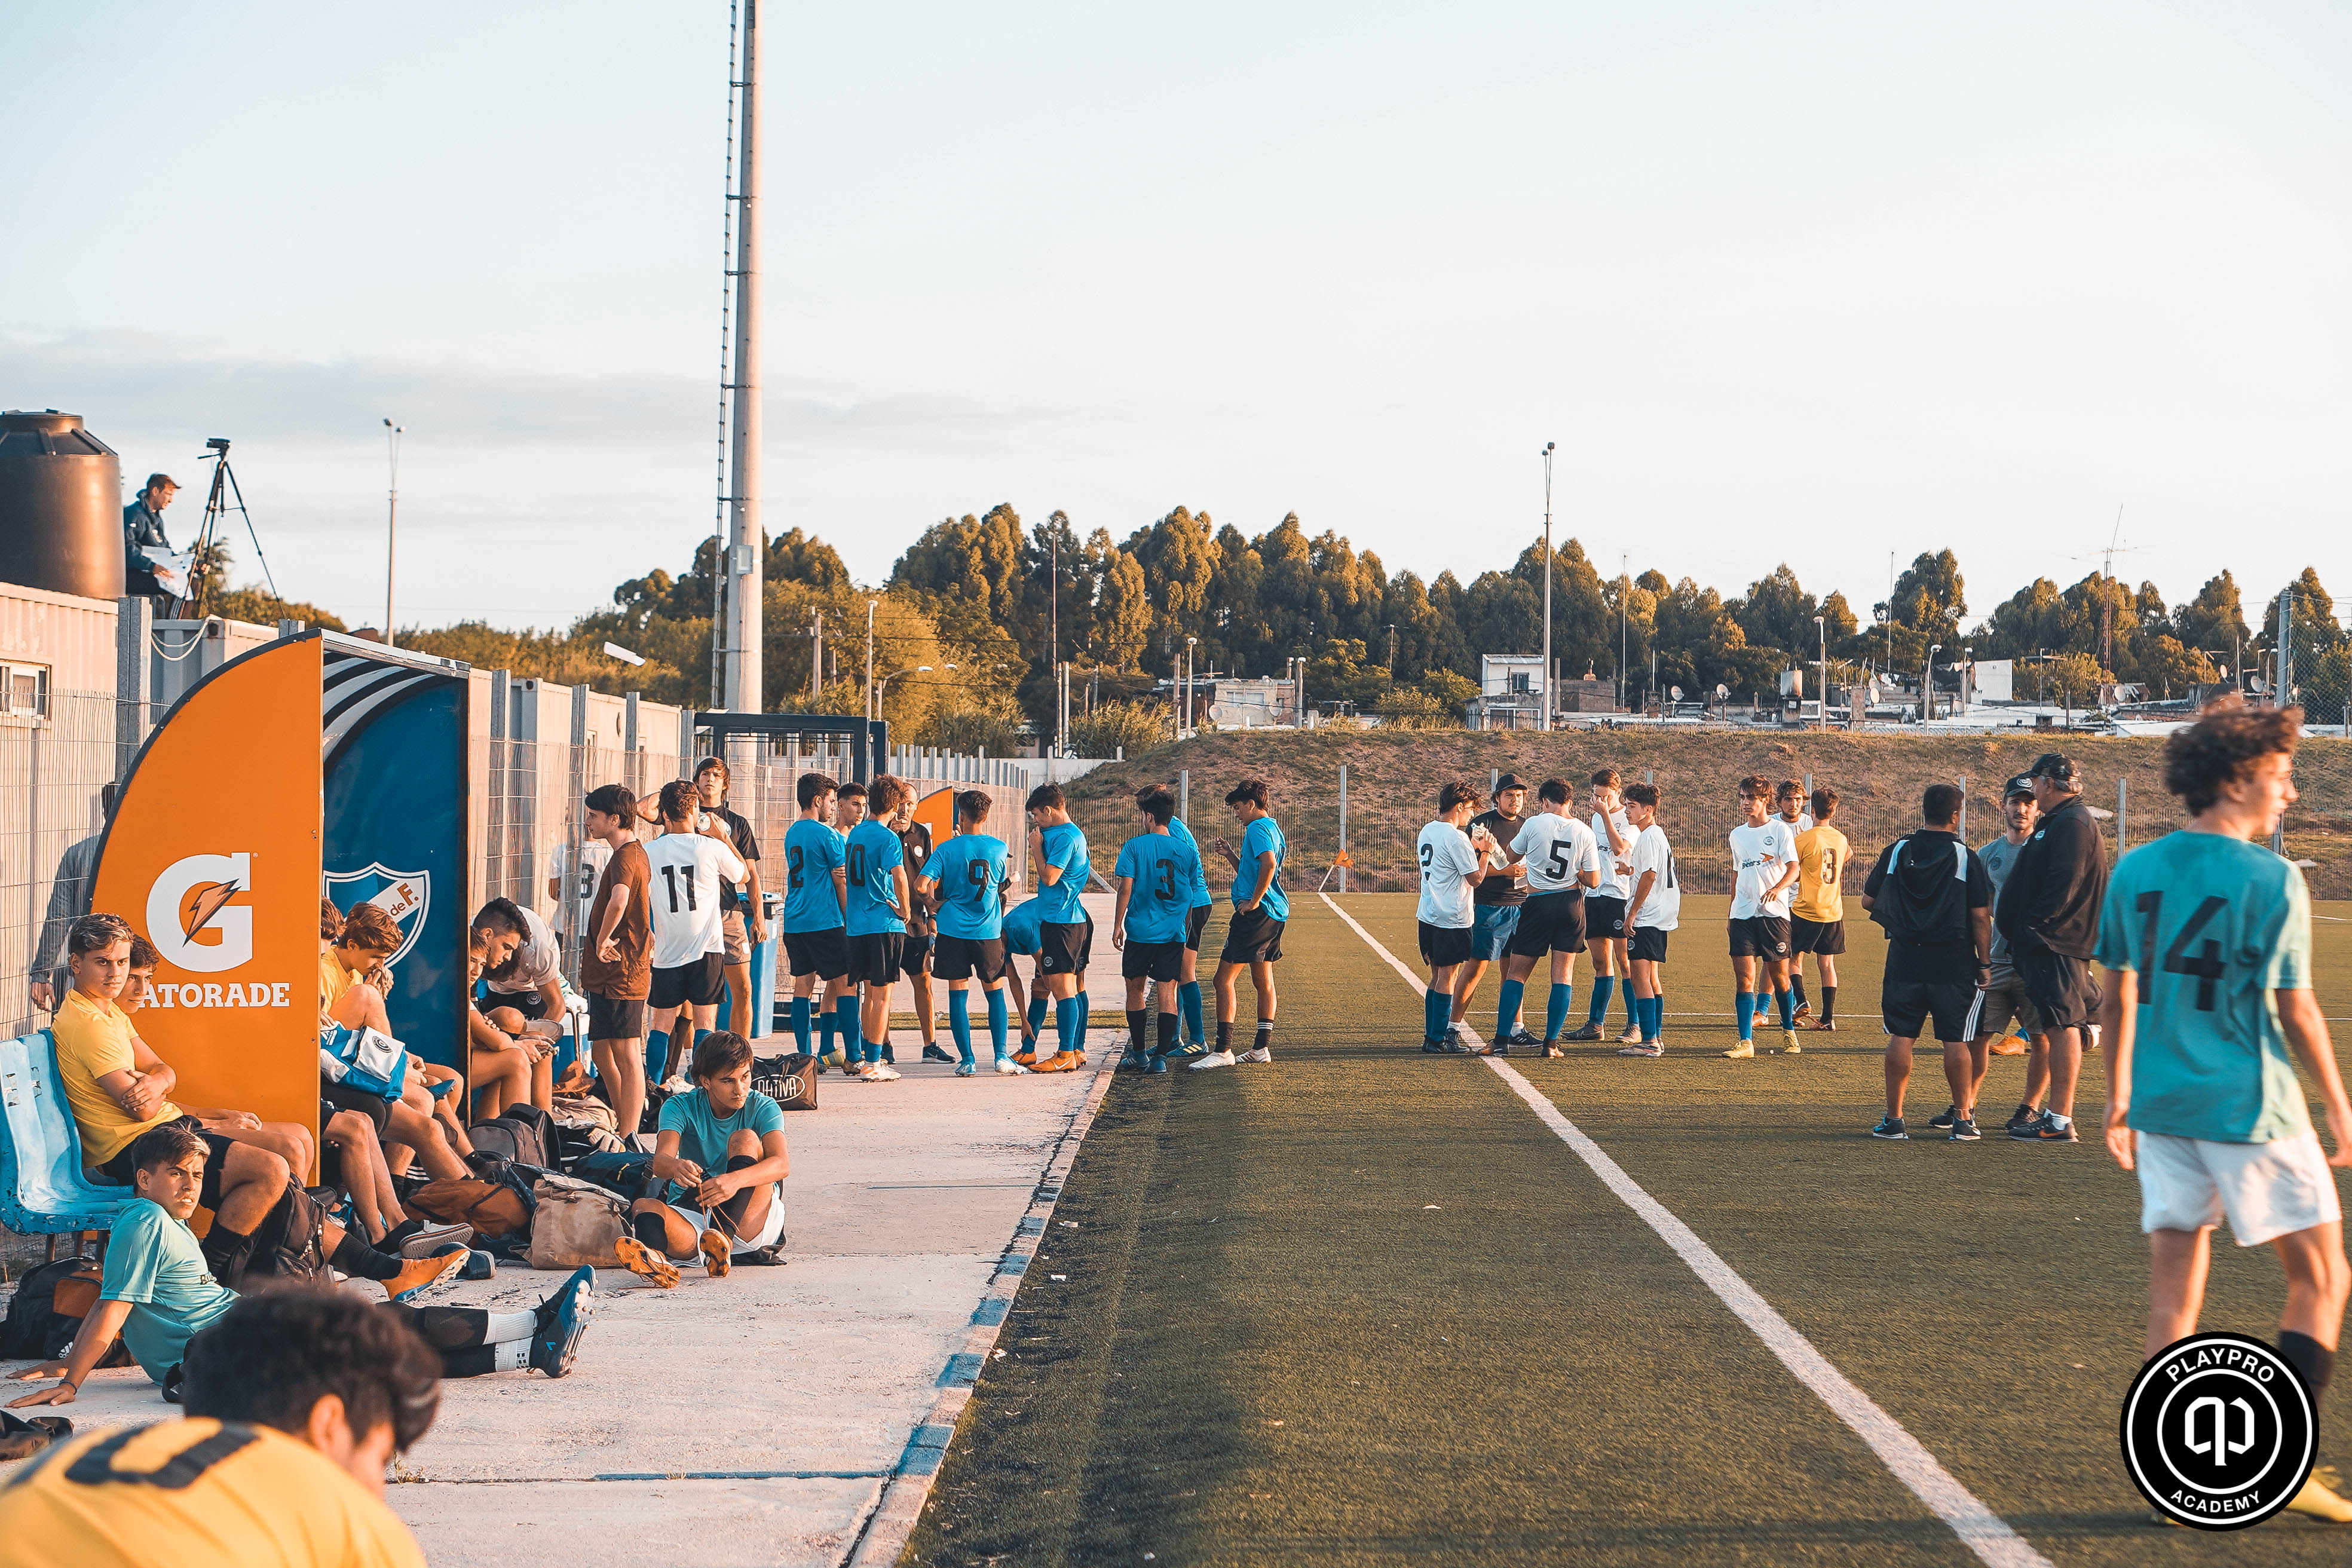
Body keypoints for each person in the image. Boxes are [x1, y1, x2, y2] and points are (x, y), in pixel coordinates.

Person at [2097, 702, 2352, 1524]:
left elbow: (2116, 994)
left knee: (2174, 1301)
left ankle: (2171, 1479)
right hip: (2252, 1111)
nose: (2290, 790)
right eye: (2280, 775)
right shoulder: (2273, 879)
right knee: (2323, 1278)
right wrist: (2341, 1111)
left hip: (2164, 1109)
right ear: (2237, 778)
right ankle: (2285, 1464)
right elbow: (2298, 1012)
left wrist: (2117, 1099)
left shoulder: (2136, 868)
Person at [7, 1125, 475, 1416]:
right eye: (177, 1174)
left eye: (196, 1176)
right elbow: (115, 1304)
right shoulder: (146, 1219)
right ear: (145, 1180)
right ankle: (513, 1328)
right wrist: (72, 1383)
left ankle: (525, 1342)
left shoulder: (163, 1220)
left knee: (377, 1350)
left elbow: (125, 1300)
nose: (191, 1187)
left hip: (237, 1326)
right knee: (376, 1336)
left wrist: (73, 1362)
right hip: (233, 1339)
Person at [0, 1284, 440, 1566]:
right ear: (328, 1423)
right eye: (378, 1459)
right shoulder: (336, 1509)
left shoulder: (72, 1460)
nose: (378, 1493)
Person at [53, 914, 305, 1287]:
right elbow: (142, 1109)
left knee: (293, 1145)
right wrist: (159, 1090)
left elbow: (162, 1068)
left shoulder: (109, 1013)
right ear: (77, 963)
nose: (116, 974)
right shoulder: (89, 1024)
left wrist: (155, 1081)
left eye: (122, 962)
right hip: (131, 1148)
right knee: (272, 1169)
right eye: (103, 962)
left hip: (158, 1128)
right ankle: (212, 1274)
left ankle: (263, 1270)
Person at [1860, 784, 1993, 1140]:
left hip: (1905, 958)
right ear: (1956, 815)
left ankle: (1894, 1120)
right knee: (1956, 1040)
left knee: (1902, 1035)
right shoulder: (1965, 856)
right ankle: (1963, 1120)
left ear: (1923, 811)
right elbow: (1981, 916)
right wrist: (1985, 962)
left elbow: (1869, 901)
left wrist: (1904, 919)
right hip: (1954, 960)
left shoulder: (1900, 849)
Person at [1995, 752, 2109, 1144]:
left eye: (2037, 784)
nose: (2034, 791)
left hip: (2056, 944)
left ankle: (2059, 1119)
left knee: (2063, 1026)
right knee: (2066, 1022)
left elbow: (2066, 881)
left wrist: (2034, 930)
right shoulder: (2063, 821)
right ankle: (2101, 1022)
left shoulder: (2073, 823)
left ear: (2047, 783)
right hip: (2051, 944)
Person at [1933, 775, 2049, 1137]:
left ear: (2038, 807)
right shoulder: (1987, 855)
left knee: (2042, 1037)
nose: (2022, 808)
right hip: (1994, 962)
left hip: (2036, 963)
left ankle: (2030, 1108)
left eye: (2028, 802)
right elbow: (1974, 910)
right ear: (2003, 806)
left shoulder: (2048, 851)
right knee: (1977, 1037)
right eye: (2015, 801)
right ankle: (1965, 1105)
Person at [625, 1031, 790, 1282]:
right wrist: (677, 1167)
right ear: (706, 1081)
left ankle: (723, 1240)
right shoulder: (679, 1106)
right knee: (644, 1207)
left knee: (744, 1138)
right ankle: (657, 1264)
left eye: (745, 1077)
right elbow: (660, 1163)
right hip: (699, 1209)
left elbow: (781, 1164)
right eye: (728, 1081)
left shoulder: (763, 1106)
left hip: (750, 1217)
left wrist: (734, 1181)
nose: (740, 1089)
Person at [641, 779, 748, 1088]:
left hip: (666, 950)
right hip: (706, 949)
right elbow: (743, 874)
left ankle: (656, 1087)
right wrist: (723, 838)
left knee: (661, 1024)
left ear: (664, 814)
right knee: (706, 1022)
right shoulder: (710, 847)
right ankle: (704, 1087)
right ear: (696, 809)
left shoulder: (649, 851)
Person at [916, 789, 1022, 1076]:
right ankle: (1001, 1055)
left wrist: (933, 905)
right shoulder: (999, 848)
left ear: (961, 816)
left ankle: (968, 1060)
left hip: (953, 931)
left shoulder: (947, 848)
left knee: (958, 993)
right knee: (995, 991)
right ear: (985, 817)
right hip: (988, 931)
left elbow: (920, 885)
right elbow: (997, 884)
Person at [1497, 777, 1600, 1056]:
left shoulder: (1534, 823)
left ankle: (1501, 1041)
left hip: (1538, 902)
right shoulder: (1585, 831)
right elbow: (1593, 879)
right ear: (1570, 800)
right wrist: (1574, 871)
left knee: (1516, 974)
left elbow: (1510, 856)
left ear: (1544, 802)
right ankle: (1551, 1044)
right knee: (1563, 975)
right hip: (1571, 903)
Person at [1194, 778, 1287, 1071]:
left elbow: (1269, 865)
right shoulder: (1272, 827)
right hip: (1275, 913)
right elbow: (1253, 869)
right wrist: (1231, 855)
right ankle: (1261, 1048)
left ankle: (1223, 1050)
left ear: (1251, 804)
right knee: (1263, 981)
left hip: (1256, 916)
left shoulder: (1257, 827)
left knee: (1222, 980)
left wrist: (1255, 901)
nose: (1236, 813)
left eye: (1237, 808)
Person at [1111, 785, 1203, 1074]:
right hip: (1173, 933)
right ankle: (1161, 1058)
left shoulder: (1134, 846)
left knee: (1135, 990)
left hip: (1140, 931)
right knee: (1168, 992)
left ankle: (1139, 1052)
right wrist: (1183, 925)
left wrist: (1117, 924)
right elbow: (1190, 893)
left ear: (1149, 817)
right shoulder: (1187, 851)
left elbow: (1125, 887)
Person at [580, 783, 653, 1139]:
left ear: (614, 819)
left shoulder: (628, 856)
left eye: (593, 817)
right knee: (602, 1048)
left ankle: (630, 1133)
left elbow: (620, 899)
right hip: (607, 973)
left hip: (623, 971)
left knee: (626, 1051)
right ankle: (623, 1118)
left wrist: (606, 937)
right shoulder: (625, 854)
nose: (588, 822)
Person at [1723, 774, 1802, 1060]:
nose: (1746, 803)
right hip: (1743, 914)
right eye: (1742, 797)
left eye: (1752, 798)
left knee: (1780, 977)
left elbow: (1794, 868)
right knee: (1744, 979)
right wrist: (1731, 910)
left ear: (1765, 800)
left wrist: (1778, 888)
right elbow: (1737, 872)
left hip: (1774, 915)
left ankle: (1789, 1029)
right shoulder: (1736, 834)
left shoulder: (1780, 831)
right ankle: (1746, 1041)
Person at [1415, 780, 1495, 1053]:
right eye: (1470, 809)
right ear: (1459, 806)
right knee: (1448, 976)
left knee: (1437, 975)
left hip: (1428, 913)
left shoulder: (1427, 830)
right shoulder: (1456, 836)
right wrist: (1484, 852)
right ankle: (1438, 1039)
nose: (1471, 816)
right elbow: (1476, 879)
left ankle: (1431, 1035)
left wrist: (1472, 848)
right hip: (1452, 917)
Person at [781, 772, 854, 1064]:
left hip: (796, 920)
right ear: (817, 800)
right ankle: (855, 1055)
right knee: (845, 984)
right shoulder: (828, 835)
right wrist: (851, 920)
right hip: (824, 921)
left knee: (803, 986)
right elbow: (841, 881)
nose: (834, 807)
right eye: (832, 801)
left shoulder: (792, 832)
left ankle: (805, 1055)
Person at [694, 757, 768, 1040]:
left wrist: (759, 916)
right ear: (697, 779)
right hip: (694, 912)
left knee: (744, 988)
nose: (710, 779)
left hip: (729, 912)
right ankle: (696, 1060)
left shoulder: (737, 823)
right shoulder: (684, 819)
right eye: (704, 774)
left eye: (716, 775)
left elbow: (750, 874)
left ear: (725, 784)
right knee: (695, 996)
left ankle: (742, 1055)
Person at [844, 776, 912, 1081]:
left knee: (868, 995)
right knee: (883, 995)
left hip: (858, 924)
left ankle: (863, 1055)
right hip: (883, 922)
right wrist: (906, 910)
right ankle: (874, 1061)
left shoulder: (855, 834)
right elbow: (899, 877)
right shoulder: (889, 839)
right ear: (896, 805)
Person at [1456, 774, 1532, 1045]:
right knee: (1477, 966)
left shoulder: (1528, 826)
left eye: (1520, 795)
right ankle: (1453, 1026)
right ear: (1497, 798)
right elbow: (1470, 871)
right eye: (1510, 795)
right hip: (1489, 907)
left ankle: (1515, 1028)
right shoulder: (1481, 825)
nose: (1516, 800)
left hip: (1521, 906)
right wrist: (1505, 871)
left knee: (1515, 971)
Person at [1025, 783, 1093, 1074]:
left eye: (1037, 816)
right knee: (1058, 985)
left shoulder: (1066, 836)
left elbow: (1050, 877)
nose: (1036, 822)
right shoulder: (1066, 833)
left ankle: (1067, 1052)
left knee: (1063, 988)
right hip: (1062, 920)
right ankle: (1073, 1050)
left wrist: (1037, 849)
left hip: (1063, 922)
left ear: (1048, 810)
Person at [27, 783, 112, 1015]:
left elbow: (59, 917)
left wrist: (41, 973)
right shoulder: (144, 851)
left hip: (83, 970)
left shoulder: (78, 853)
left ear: (105, 811)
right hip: (128, 969)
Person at [1568, 770, 1640, 1044]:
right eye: (1596, 795)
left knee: (1627, 963)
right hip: (1595, 896)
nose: (1599, 801)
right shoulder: (1596, 818)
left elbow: (1620, 848)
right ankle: (1596, 1024)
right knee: (1601, 963)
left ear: (1617, 793)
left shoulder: (1630, 818)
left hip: (1620, 898)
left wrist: (1607, 815)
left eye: (1605, 796)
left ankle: (1635, 1025)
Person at [471, 898, 562, 1110]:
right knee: (510, 1052)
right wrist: (516, 1044)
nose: (507, 956)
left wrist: (535, 1042)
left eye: (512, 949)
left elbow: (557, 1004)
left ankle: (542, 1125)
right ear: (486, 936)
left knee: (532, 1051)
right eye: (505, 948)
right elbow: (468, 1023)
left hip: (533, 993)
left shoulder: (537, 949)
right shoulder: (471, 949)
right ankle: (494, 1132)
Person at [1616, 783, 1679, 1056]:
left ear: (1648, 810)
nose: (1628, 811)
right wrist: (1630, 869)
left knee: (1639, 977)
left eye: (1632, 806)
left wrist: (1632, 913)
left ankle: (1650, 1040)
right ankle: (1656, 1036)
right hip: (1660, 914)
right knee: (1651, 978)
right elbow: (1648, 871)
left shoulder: (1649, 837)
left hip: (1649, 916)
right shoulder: (1655, 835)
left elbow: (1650, 875)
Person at [886, 779, 944, 1064]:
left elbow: (929, 877)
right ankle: (882, 1045)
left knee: (923, 981)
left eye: (911, 803)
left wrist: (933, 915)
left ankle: (930, 1044)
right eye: (901, 803)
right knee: (883, 986)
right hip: (887, 921)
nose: (905, 809)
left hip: (917, 922)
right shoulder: (883, 833)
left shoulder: (921, 833)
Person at [1788, 787, 1849, 1031]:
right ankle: (1827, 1019)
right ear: (1833, 812)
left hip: (1806, 909)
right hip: (1833, 910)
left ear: (1812, 810)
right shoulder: (1841, 838)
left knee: (1794, 958)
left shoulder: (1804, 839)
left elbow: (1791, 869)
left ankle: (1801, 999)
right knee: (1827, 965)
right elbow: (1848, 855)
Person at [1167, 799, 1217, 1053]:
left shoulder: (1174, 833)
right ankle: (1174, 1038)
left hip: (1192, 906)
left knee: (1185, 973)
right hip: (1190, 905)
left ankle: (1198, 1040)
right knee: (1176, 973)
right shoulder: (1174, 829)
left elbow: (1184, 880)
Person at [546, 822, 610, 960]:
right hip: (593, 924)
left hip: (565, 923)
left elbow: (553, 892)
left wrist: (566, 897)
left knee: (562, 972)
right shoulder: (607, 854)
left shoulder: (561, 850)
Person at [121, 473, 183, 604]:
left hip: (150, 572)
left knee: (188, 580)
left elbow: (165, 549)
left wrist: (191, 564)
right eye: (168, 494)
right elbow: (127, 548)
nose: (171, 500)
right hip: (133, 575)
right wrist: (152, 567)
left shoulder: (157, 520)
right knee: (181, 584)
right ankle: (171, 624)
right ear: (155, 491)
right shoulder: (134, 514)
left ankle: (175, 622)